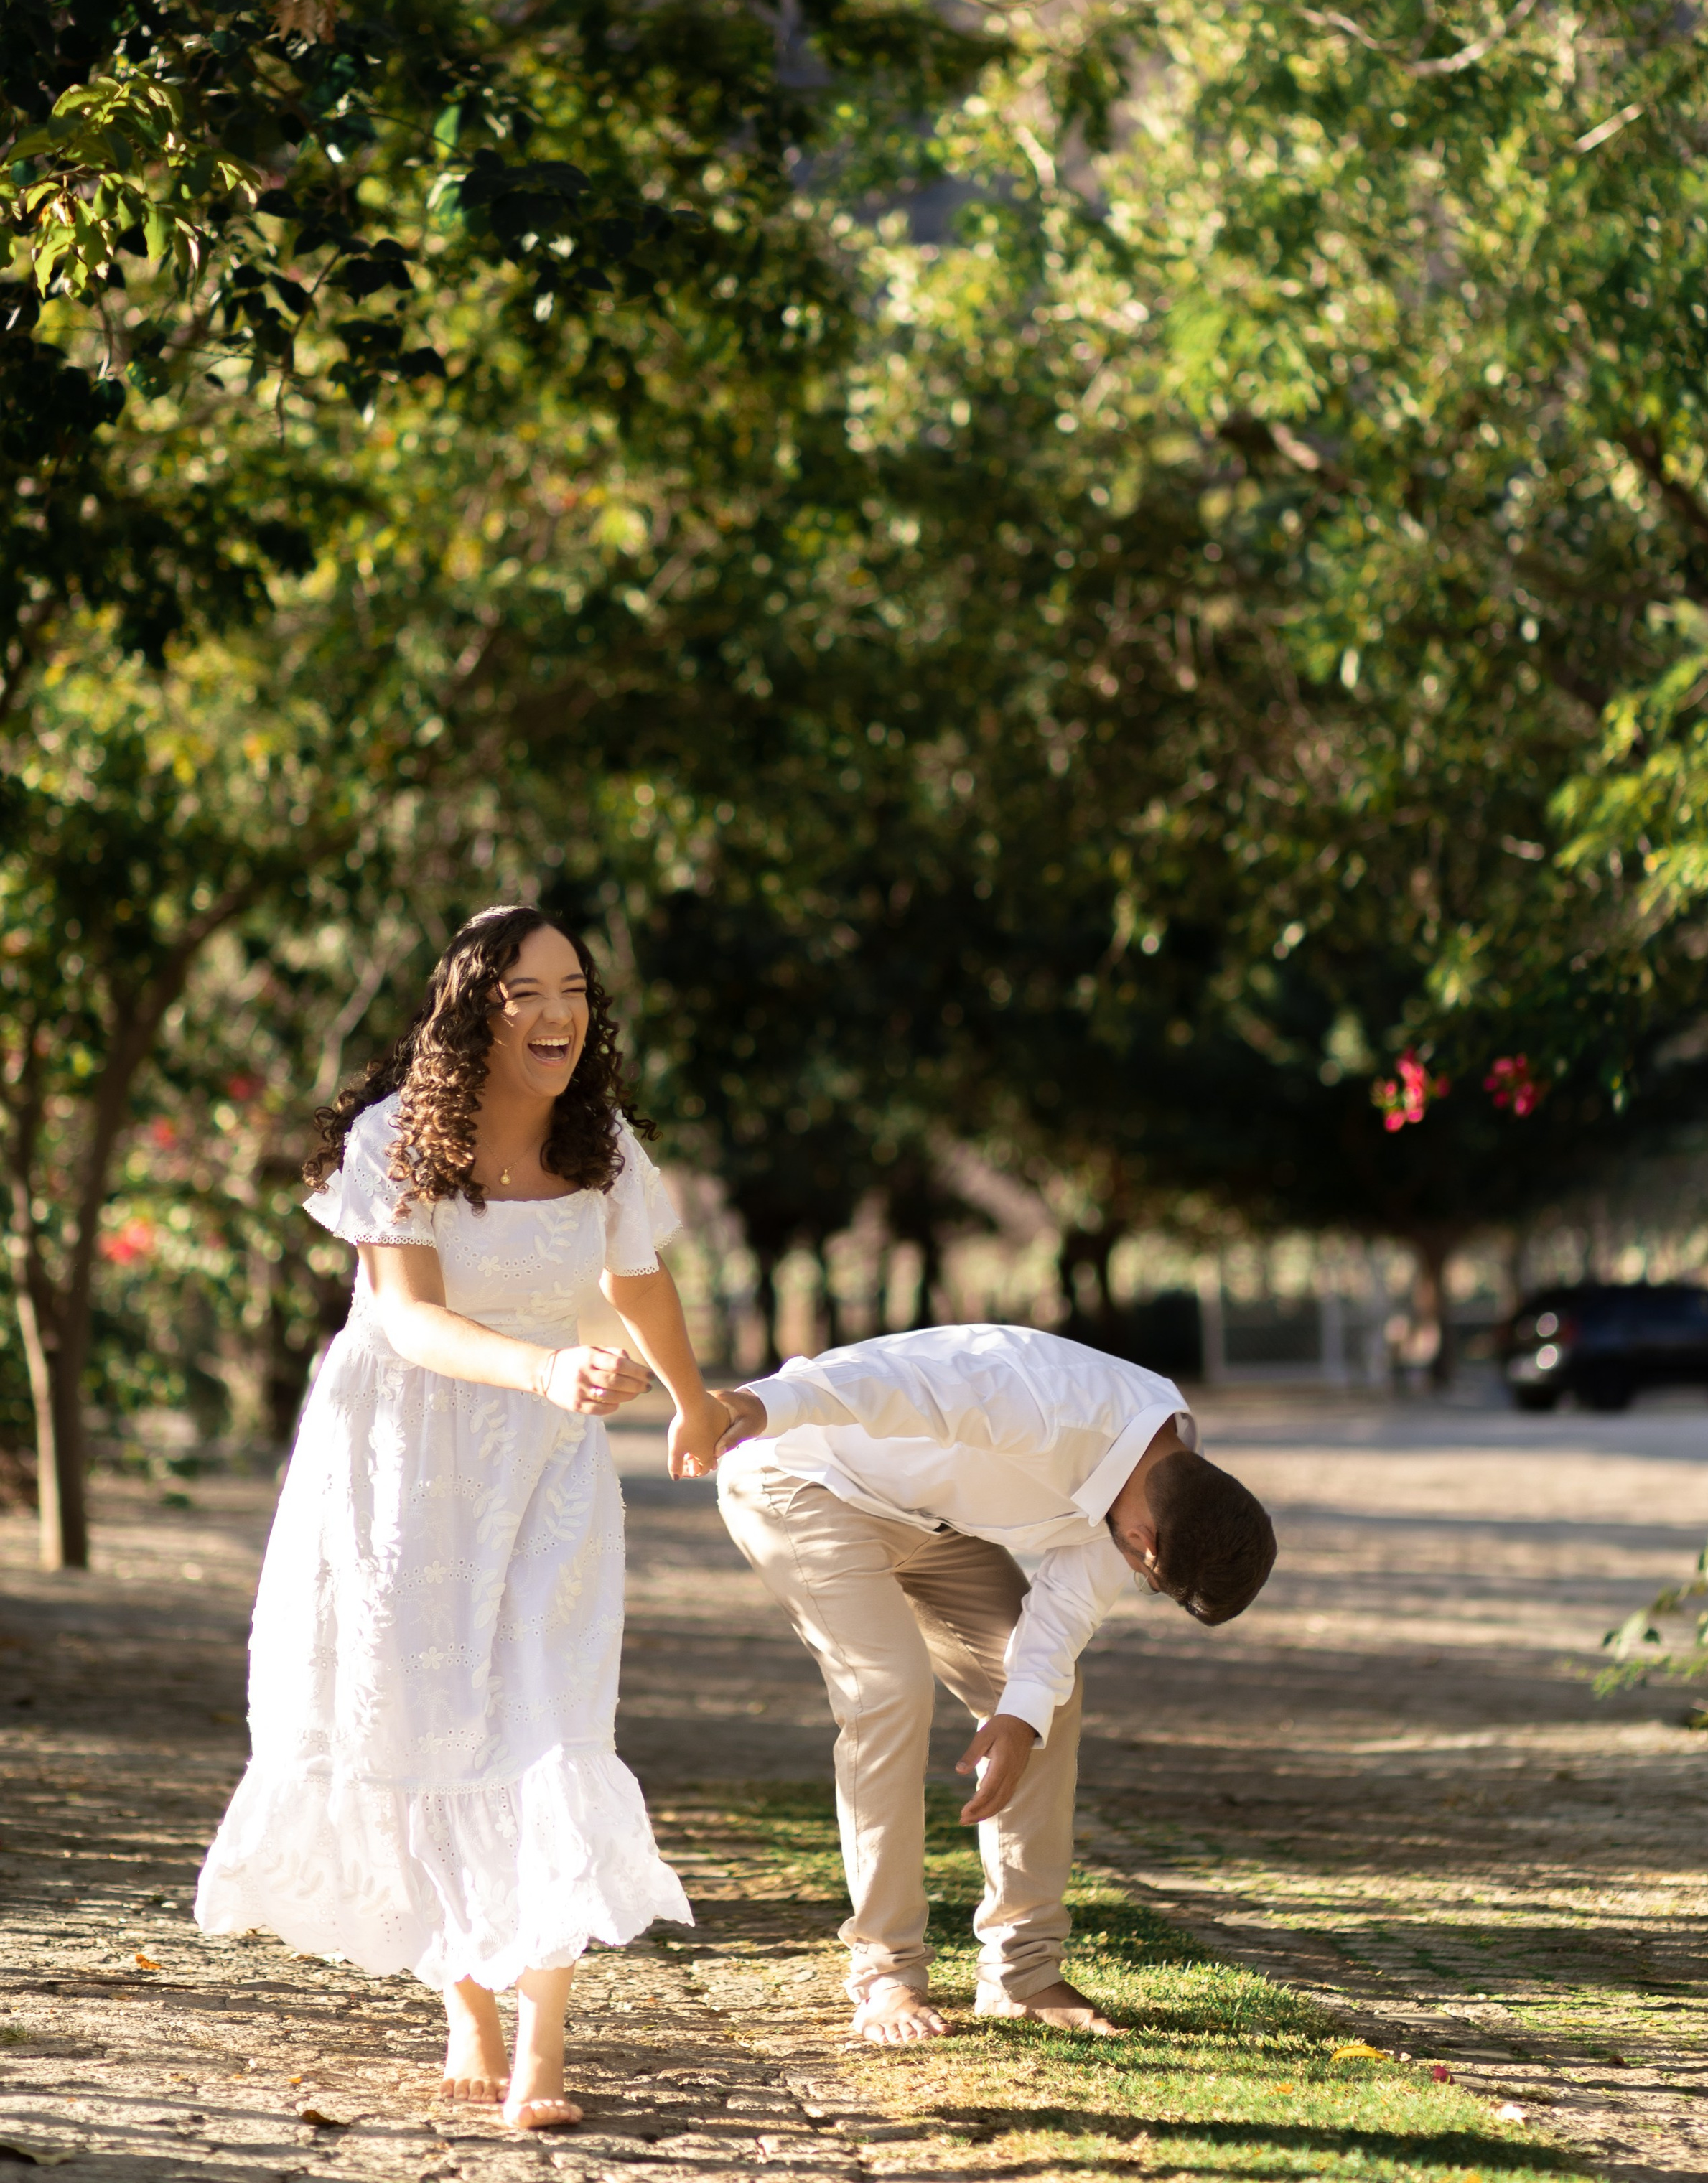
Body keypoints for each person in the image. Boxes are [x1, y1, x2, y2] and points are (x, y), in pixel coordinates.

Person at [196, 904, 724, 2130]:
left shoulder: (602, 1142)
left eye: (575, 990)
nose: (557, 1015)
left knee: (552, 1717)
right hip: (404, 1457)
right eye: (525, 992)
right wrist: (548, 1368)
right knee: (436, 1719)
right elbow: (408, 1322)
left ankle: (544, 2040)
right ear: (471, 1005)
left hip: (549, 1464)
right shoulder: (396, 1138)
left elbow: (636, 1279)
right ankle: (469, 2003)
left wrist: (691, 1403)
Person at [711, 1323, 1275, 2044]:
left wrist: (1018, 1713)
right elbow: (903, 1381)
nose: (1138, 1577)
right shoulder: (1057, 1409)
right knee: (889, 1693)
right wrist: (761, 1404)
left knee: (1046, 1702)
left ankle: (1021, 1973)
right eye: (1150, 1578)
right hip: (802, 1476)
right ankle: (886, 1975)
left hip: (932, 1523)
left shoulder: (1163, 1487)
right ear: (1148, 1547)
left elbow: (1063, 1609)